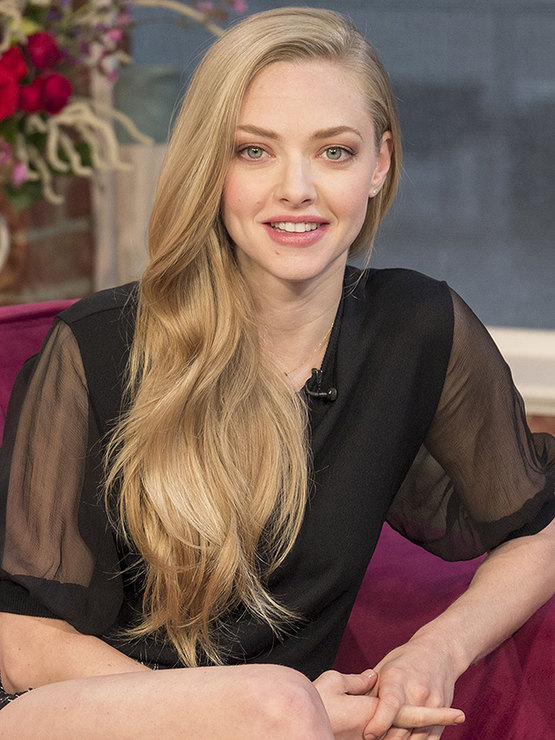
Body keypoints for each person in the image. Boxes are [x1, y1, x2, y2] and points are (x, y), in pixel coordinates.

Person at [0, 7, 553, 739]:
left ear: (379, 163)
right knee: (277, 702)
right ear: (211, 165)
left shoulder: (416, 329)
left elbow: (536, 527)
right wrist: (245, 715)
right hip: (84, 715)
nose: (297, 189)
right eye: (254, 151)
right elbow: (21, 642)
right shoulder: (96, 346)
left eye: (334, 152)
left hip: (291, 726)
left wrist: (436, 651)